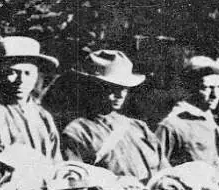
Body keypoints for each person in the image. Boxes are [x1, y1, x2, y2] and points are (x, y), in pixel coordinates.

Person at [60, 50, 167, 182]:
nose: (120, 94)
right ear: (92, 86)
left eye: (124, 88)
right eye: (112, 87)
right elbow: (75, 182)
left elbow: (165, 172)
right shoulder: (78, 132)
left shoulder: (139, 128)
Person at [155, 55, 219, 172]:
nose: (215, 94)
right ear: (192, 88)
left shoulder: (216, 126)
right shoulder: (173, 125)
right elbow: (156, 167)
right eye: (208, 87)